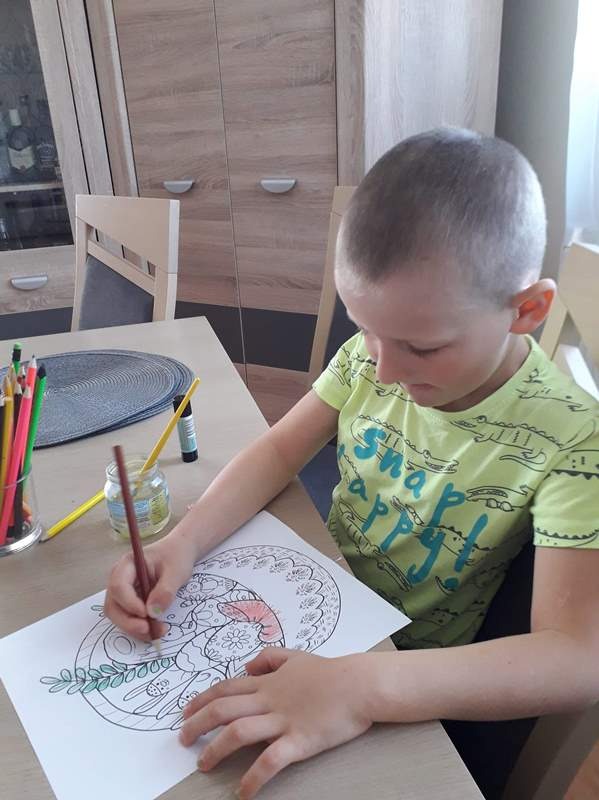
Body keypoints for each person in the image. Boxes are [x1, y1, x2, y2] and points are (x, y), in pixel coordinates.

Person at [105, 128, 599, 800]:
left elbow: (576, 658)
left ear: (527, 310)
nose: (384, 369)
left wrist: (363, 686)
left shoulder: (575, 440)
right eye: (364, 328)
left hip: (400, 673)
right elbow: (279, 449)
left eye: (422, 347)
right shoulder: (373, 355)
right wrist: (183, 542)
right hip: (310, 592)